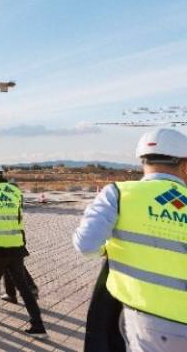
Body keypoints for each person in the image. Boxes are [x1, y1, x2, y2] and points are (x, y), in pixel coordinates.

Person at [73, 128, 187, 351]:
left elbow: (85, 244)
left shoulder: (119, 193)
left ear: (142, 162)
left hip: (147, 323)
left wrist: (106, 250)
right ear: (184, 165)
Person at [0, 166, 47, 337]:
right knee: (23, 287)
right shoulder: (12, 196)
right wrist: (21, 244)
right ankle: (38, 325)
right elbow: (19, 223)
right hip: (16, 248)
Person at [0, 163, 39, 302]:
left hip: (2, 232)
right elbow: (20, 207)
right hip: (17, 230)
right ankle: (12, 293)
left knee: (11, 263)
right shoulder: (14, 189)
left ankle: (29, 288)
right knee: (12, 262)